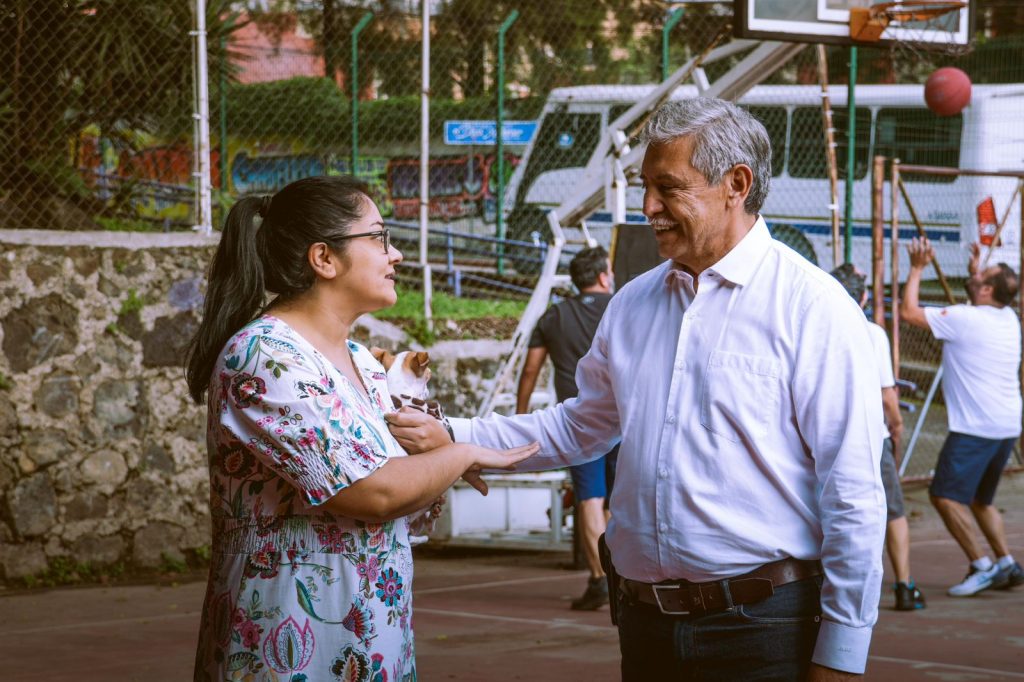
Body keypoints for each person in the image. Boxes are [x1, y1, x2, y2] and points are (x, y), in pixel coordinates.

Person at [389, 98, 886, 680]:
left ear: (737, 184)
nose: (648, 207)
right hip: (645, 624)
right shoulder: (633, 303)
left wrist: (841, 655)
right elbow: (580, 425)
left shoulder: (813, 307)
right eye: (645, 187)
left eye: (668, 188)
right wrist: (455, 437)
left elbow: (853, 491)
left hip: (765, 626)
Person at [184, 176, 537, 681]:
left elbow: (399, 493)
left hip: (373, 639)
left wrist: (432, 448)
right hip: (288, 642)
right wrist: (461, 454)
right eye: (379, 237)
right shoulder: (264, 356)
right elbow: (374, 493)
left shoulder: (363, 363)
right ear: (324, 258)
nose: (396, 255)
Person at [899, 237, 1024, 596]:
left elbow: (909, 312)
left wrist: (917, 269)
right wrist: (975, 274)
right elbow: (979, 303)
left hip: (975, 428)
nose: (977, 272)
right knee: (981, 501)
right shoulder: (1008, 317)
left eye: (983, 274)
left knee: (944, 496)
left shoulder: (965, 319)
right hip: (1006, 425)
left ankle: (981, 566)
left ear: (986, 290)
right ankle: (1006, 562)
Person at [516, 246, 619, 611]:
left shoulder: (554, 315)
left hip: (580, 424)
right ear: (604, 276)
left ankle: (600, 579)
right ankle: (620, 577)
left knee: (590, 498)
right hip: (624, 418)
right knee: (618, 500)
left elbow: (531, 369)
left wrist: (521, 415)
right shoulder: (623, 306)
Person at [831, 263, 925, 611]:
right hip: (871, 436)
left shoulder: (819, 328)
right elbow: (888, 395)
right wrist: (896, 425)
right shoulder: (872, 333)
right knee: (892, 510)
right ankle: (904, 584)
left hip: (827, 436)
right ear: (864, 298)